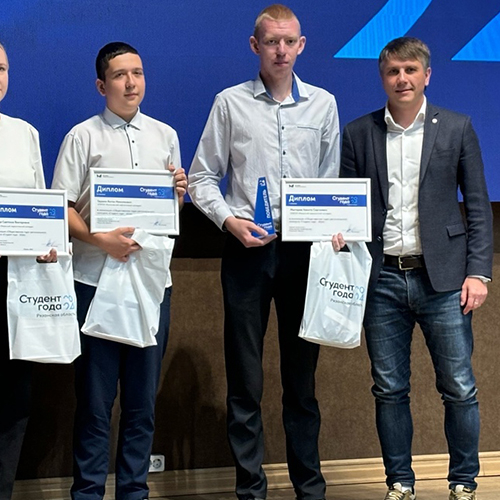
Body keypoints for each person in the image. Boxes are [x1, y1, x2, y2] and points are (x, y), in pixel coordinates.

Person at [188, 5, 339, 500]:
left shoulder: (323, 105)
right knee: (245, 381)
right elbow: (201, 178)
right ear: (255, 46)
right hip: (246, 254)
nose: (281, 50)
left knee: (302, 382)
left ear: (302, 45)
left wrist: (334, 228)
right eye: (271, 41)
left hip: (305, 256)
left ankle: (309, 489)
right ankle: (250, 490)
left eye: (289, 41)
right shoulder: (229, 103)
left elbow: (332, 183)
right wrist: (229, 221)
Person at [332, 37, 493, 500]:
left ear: (427, 75)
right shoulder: (358, 133)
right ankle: (400, 482)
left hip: (445, 280)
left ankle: (463, 482)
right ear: (382, 78)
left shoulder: (457, 127)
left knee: (459, 387)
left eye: (410, 70)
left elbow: (477, 207)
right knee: (388, 389)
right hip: (381, 278)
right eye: (393, 71)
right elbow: (347, 204)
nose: (401, 78)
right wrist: (337, 229)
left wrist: (478, 273)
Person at [51, 42, 187, 500]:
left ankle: (134, 491)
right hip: (94, 281)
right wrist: (99, 239)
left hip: (151, 283)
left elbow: (167, 215)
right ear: (101, 85)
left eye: (138, 73)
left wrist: (177, 196)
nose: (131, 83)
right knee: (94, 403)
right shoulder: (82, 137)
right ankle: (88, 492)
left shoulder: (166, 135)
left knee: (141, 403)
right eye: (120, 75)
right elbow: (62, 209)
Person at [0, 42, 57, 500]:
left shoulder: (24, 133)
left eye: (1, 68)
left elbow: (39, 203)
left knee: (13, 397)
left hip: (14, 280)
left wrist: (47, 244)